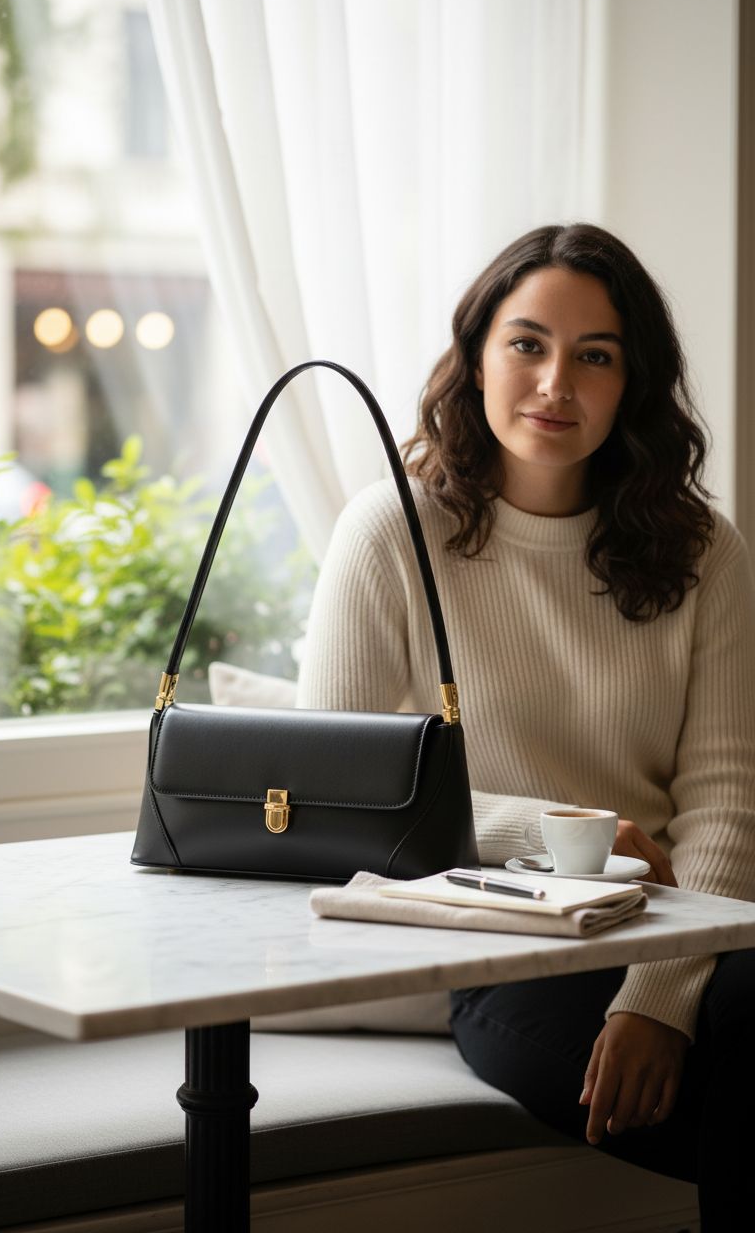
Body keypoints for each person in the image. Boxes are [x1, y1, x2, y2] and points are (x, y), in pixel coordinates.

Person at [297, 223, 755, 1229]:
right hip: (501, 955)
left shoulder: (702, 552)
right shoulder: (392, 531)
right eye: (527, 344)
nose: (555, 383)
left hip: (679, 935)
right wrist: (558, 834)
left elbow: (724, 804)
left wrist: (657, 999)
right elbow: (333, 798)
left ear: (632, 383)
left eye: (595, 356)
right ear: (475, 358)